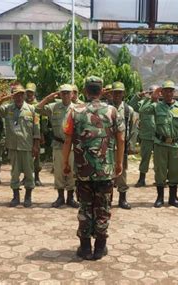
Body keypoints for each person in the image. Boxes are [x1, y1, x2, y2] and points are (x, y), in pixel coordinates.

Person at [63, 76, 125, 261]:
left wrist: (65, 162)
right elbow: (121, 139)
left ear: (84, 91)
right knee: (103, 208)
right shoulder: (113, 111)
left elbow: (67, 139)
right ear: (101, 91)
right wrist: (119, 163)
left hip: (83, 171)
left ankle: (85, 248)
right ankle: (99, 248)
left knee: (85, 208)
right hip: (105, 171)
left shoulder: (74, 111)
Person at [139, 80, 178, 208]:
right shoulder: (156, 106)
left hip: (175, 145)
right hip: (160, 144)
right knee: (160, 171)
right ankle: (160, 198)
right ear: (162, 92)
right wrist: (152, 99)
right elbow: (143, 112)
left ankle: (173, 198)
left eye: (171, 90)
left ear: (174, 92)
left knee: (175, 171)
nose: (168, 93)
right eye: (165, 90)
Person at [0, 84, 40, 208]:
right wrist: (3, 99)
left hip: (27, 146)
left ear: (24, 96)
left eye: (20, 95)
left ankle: (28, 197)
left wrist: (36, 145)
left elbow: (36, 129)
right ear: (12, 97)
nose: (18, 97)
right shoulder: (7, 109)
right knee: (14, 173)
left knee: (29, 173)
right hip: (13, 146)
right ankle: (15, 197)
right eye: (15, 95)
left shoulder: (31, 109)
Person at [36, 84, 79, 208]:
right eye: (63, 93)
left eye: (68, 93)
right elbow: (37, 109)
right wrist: (48, 98)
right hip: (58, 144)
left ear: (72, 94)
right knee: (59, 172)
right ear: (59, 94)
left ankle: (70, 198)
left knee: (71, 171)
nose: (65, 95)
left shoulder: (77, 108)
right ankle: (60, 197)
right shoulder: (54, 107)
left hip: (71, 145)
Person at [110, 81, 137, 209]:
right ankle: (107, 199)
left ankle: (122, 199)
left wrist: (131, 145)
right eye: (115, 93)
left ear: (123, 94)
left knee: (122, 173)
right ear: (111, 94)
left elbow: (132, 129)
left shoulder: (128, 110)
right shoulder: (106, 108)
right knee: (107, 173)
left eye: (119, 93)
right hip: (108, 146)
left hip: (122, 146)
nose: (117, 95)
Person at [129, 85, 158, 187]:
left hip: (159, 137)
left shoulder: (162, 105)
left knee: (159, 159)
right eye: (151, 92)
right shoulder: (142, 104)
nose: (153, 95)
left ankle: (159, 179)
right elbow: (131, 106)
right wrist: (139, 95)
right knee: (145, 158)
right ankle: (142, 179)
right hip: (146, 136)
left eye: (156, 92)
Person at [25, 83, 44, 186]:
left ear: (34, 92)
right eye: (28, 92)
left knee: (36, 156)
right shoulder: (22, 104)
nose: (29, 94)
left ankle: (36, 177)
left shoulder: (38, 104)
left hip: (37, 133)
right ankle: (25, 177)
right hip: (25, 134)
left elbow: (43, 120)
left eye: (31, 92)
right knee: (25, 156)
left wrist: (42, 133)